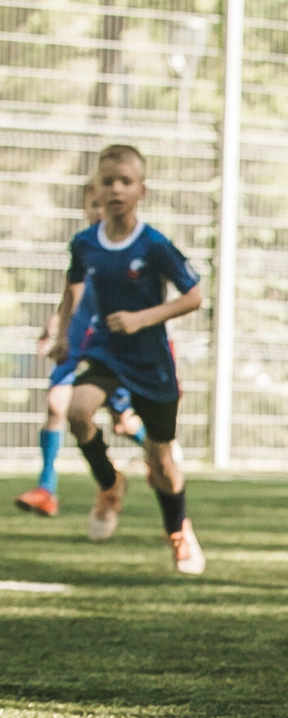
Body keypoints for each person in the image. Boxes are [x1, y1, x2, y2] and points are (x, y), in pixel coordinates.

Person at [45, 145, 205, 572]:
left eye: (125, 182)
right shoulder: (84, 244)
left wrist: (142, 318)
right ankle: (110, 483)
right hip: (106, 353)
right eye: (108, 181)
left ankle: (178, 529)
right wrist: (63, 334)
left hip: (151, 361)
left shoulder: (154, 245)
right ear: (96, 187)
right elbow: (72, 287)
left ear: (141, 190)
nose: (116, 189)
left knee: (162, 459)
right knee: (77, 411)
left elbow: (194, 296)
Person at [17, 183, 146, 519]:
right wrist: (56, 326)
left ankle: (161, 455)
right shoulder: (84, 246)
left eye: (103, 204)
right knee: (57, 403)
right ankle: (47, 488)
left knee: (124, 422)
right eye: (93, 204)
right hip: (77, 339)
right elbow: (72, 293)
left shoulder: (130, 248)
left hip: (109, 344)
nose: (98, 210)